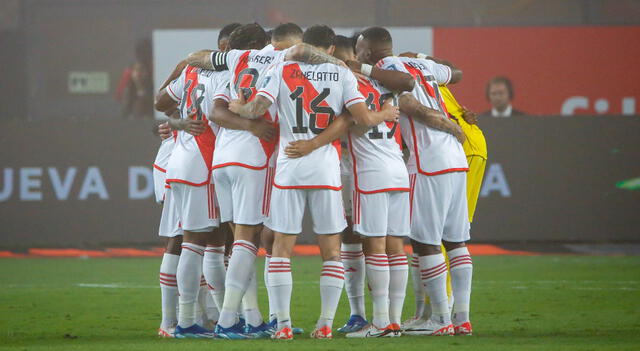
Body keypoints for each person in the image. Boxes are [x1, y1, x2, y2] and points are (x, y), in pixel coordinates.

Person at [228, 24, 399, 340]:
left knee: (281, 248)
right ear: (332, 48)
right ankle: (324, 324)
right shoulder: (343, 74)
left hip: (289, 166)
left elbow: (257, 108)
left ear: (303, 45)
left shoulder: (282, 66)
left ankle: (282, 326)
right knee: (331, 251)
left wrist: (236, 106)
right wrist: (386, 114)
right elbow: (357, 118)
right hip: (326, 171)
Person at [185, 23, 346, 339]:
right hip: (257, 156)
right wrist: (337, 62)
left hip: (223, 157)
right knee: (248, 239)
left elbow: (203, 77)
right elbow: (300, 50)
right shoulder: (282, 56)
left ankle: (256, 317)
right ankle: (228, 321)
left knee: (245, 239)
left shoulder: (235, 59)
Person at [369, 26, 473, 336]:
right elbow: (456, 73)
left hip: (429, 160)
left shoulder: (386, 68)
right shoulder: (421, 64)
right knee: (456, 241)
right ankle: (462, 318)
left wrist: (448, 125)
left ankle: (440, 319)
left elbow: (412, 107)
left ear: (371, 52)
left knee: (426, 241)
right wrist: (424, 56)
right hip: (454, 158)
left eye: (361, 50)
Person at [153, 26, 235, 337]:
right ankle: (180, 321)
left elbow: (162, 104)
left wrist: (173, 122)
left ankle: (207, 317)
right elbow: (219, 114)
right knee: (192, 241)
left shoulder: (192, 73)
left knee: (211, 241)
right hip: (199, 160)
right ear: (224, 47)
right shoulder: (221, 75)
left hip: (182, 160)